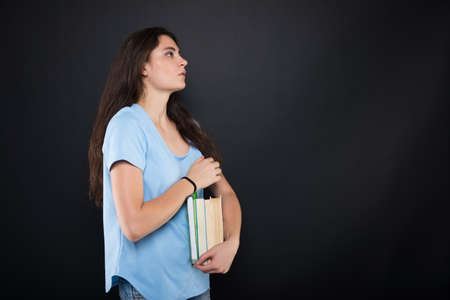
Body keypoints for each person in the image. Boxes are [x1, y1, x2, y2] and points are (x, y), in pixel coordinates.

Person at [88, 27, 242, 300]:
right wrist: (191, 182)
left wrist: (232, 242)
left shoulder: (187, 127)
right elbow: (133, 226)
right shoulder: (127, 125)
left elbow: (226, 193)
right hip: (149, 289)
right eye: (170, 53)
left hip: (197, 284)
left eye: (180, 54)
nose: (183, 61)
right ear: (142, 67)